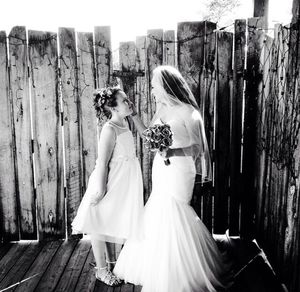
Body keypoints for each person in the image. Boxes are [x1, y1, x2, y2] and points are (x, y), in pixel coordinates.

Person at [114, 66, 232, 292]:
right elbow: (149, 137)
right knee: (158, 208)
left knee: (175, 209)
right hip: (161, 167)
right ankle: (157, 267)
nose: (152, 91)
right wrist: (134, 115)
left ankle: (184, 270)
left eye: (154, 87)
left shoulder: (189, 112)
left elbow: (197, 148)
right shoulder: (161, 110)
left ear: (166, 87)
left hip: (180, 169)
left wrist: (173, 152)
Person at [71, 87, 144, 287]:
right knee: (99, 220)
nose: (129, 103)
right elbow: (102, 162)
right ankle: (101, 270)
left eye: (128, 99)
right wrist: (101, 190)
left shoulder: (125, 123)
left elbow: (142, 135)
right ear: (113, 107)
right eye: (124, 101)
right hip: (109, 180)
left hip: (124, 180)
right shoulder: (110, 128)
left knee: (113, 220)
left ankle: (113, 264)